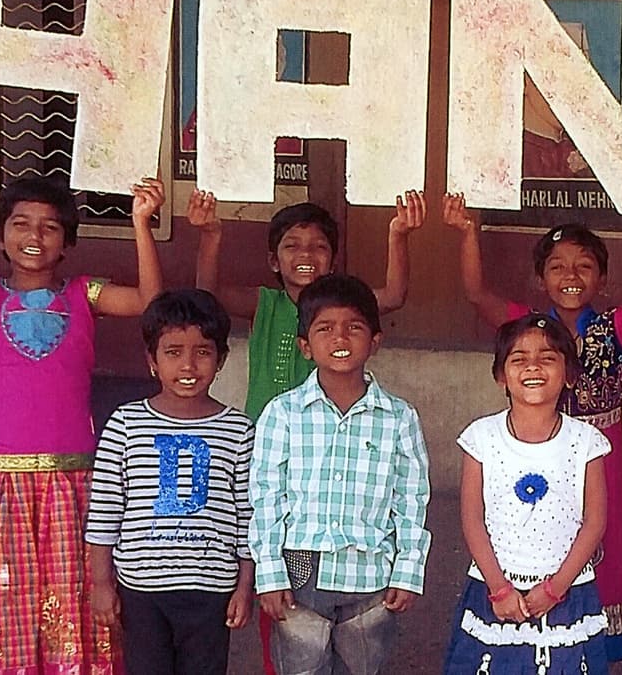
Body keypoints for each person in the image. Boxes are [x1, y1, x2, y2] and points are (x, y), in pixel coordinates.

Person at [0, 165, 164, 673]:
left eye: (49, 226)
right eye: (20, 224)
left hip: (70, 484)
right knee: (0, 600)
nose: (34, 237)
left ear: (67, 241)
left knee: (69, 598)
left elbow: (150, 303)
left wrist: (141, 224)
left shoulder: (85, 294)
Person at [446, 193, 622, 659]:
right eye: (558, 267)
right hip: (535, 449)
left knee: (607, 543)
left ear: (602, 278)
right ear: (541, 278)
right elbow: (477, 294)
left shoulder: (612, 326)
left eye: (583, 266)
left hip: (601, 454)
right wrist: (468, 233)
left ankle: (601, 649)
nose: (571, 276)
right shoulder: (526, 326)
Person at [250, 274, 430, 675]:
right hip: (299, 572)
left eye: (354, 327)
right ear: (305, 346)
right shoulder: (283, 413)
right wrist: (270, 572)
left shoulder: (399, 418)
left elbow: (412, 499)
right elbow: (265, 497)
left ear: (376, 341)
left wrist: (408, 569)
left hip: (370, 576)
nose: (340, 337)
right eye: (325, 328)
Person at [85, 288, 256, 675]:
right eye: (173, 352)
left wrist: (245, 586)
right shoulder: (126, 424)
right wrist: (101, 582)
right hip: (141, 590)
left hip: (212, 590)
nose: (188, 366)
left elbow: (248, 514)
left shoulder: (239, 430)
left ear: (222, 359)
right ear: (152, 360)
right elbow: (105, 509)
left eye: (203, 352)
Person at [442, 315, 612, 674]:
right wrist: (499, 589)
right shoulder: (481, 437)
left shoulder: (587, 442)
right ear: (501, 375)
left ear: (570, 374)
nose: (533, 366)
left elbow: (595, 522)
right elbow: (472, 518)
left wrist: (556, 588)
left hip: (567, 593)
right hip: (496, 589)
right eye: (518, 358)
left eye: (548, 357)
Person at [188, 190, 424, 419]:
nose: (306, 254)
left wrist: (398, 235)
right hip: (267, 436)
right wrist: (211, 234)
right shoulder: (265, 304)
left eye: (319, 247)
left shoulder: (347, 304)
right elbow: (208, 294)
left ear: (333, 262)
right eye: (292, 246)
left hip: (319, 436)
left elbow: (393, 295)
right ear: (274, 261)